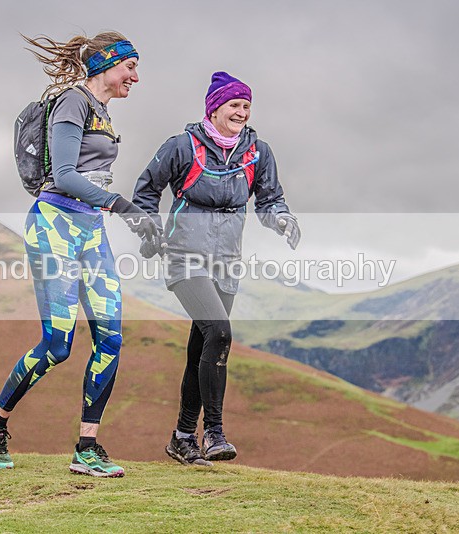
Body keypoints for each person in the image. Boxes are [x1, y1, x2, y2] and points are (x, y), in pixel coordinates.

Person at [0, 31, 159, 478]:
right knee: (58, 344)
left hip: (91, 230)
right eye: (130, 66)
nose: (136, 75)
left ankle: (87, 448)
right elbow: (64, 175)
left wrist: (137, 223)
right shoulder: (73, 102)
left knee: (110, 340)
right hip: (55, 225)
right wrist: (125, 208)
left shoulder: (104, 112)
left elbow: (93, 182)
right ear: (107, 65)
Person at [132, 71, 301, 466]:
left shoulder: (257, 151)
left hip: (227, 259)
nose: (241, 112)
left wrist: (281, 218)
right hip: (185, 253)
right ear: (214, 108)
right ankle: (215, 433)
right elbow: (145, 190)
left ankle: (181, 438)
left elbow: (270, 198)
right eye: (234, 105)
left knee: (202, 346)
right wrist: (148, 227)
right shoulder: (182, 146)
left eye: (246, 106)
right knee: (220, 331)